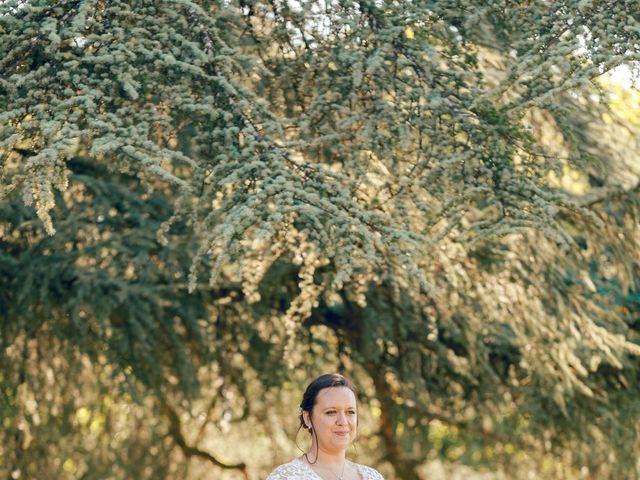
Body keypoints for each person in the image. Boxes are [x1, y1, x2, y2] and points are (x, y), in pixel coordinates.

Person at [266, 373, 384, 480]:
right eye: (331, 412)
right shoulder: (286, 477)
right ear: (308, 418)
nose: (343, 421)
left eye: (350, 412)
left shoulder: (372, 476)